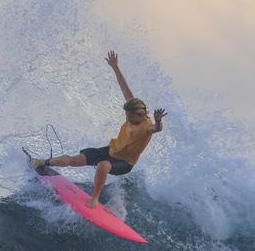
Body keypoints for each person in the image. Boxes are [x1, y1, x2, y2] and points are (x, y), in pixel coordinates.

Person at [29, 51, 167, 208]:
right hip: (111, 150)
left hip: (124, 162)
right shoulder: (133, 106)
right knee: (75, 160)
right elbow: (124, 88)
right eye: (126, 115)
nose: (127, 118)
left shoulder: (147, 126)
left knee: (103, 165)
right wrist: (115, 67)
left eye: (129, 116)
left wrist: (158, 120)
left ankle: (94, 198)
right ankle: (42, 162)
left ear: (139, 114)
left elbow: (157, 129)